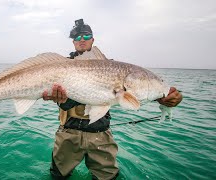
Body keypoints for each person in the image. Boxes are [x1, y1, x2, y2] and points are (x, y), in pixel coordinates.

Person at [42, 19, 183, 180]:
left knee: (108, 177)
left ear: (93, 40)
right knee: (58, 176)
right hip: (68, 132)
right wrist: (56, 97)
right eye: (77, 37)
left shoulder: (113, 68)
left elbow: (140, 91)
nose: (82, 39)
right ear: (73, 42)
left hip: (100, 133)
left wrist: (166, 98)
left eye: (86, 36)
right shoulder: (60, 65)